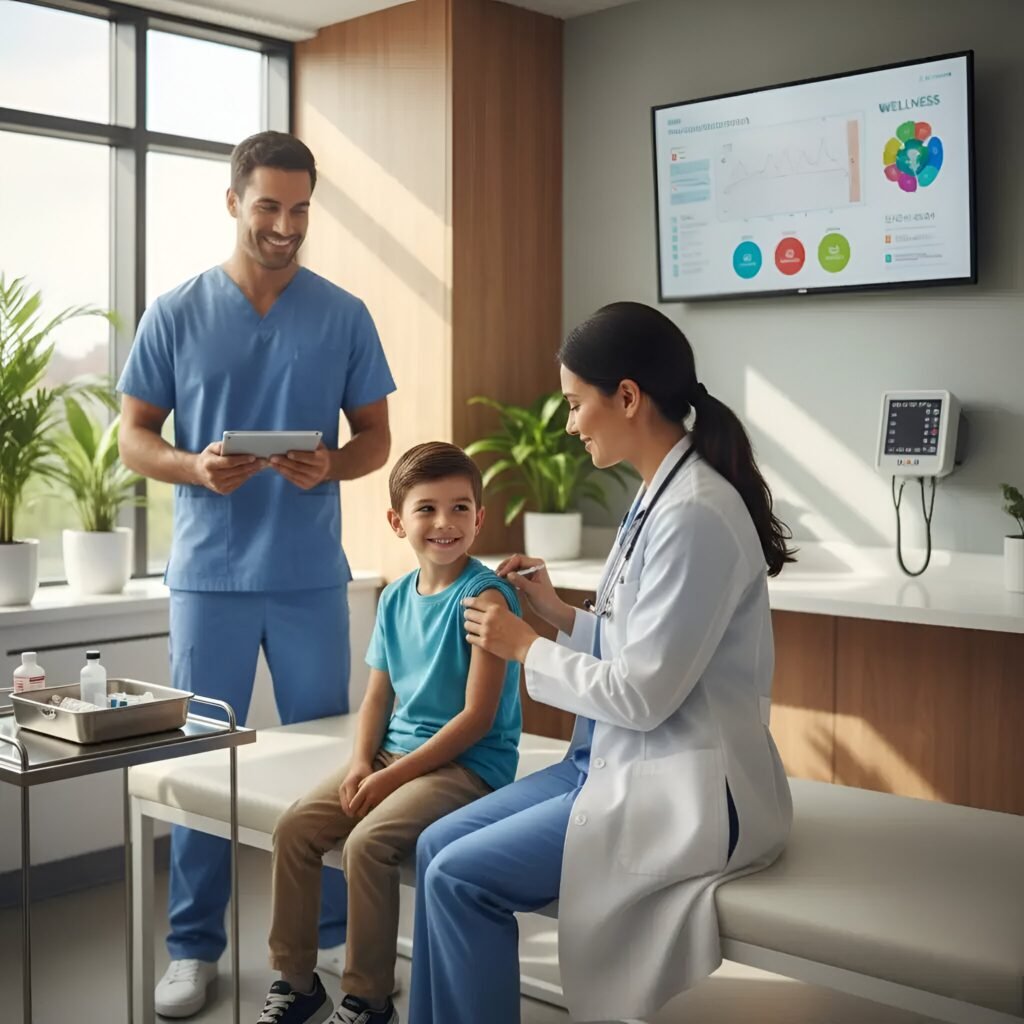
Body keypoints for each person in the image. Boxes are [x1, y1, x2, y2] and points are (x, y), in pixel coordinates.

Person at [409, 301, 796, 1024]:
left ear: (626, 397)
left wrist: (526, 645)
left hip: (690, 790)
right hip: (613, 760)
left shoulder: (696, 515)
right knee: (435, 845)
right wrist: (557, 614)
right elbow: (642, 642)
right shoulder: (659, 494)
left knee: (461, 879)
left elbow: (645, 694)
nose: (569, 424)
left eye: (574, 403)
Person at [117, 131, 395, 1019]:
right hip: (210, 575)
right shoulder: (175, 311)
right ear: (233, 201)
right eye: (269, 205)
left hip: (311, 571)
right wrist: (194, 468)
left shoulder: (343, 312)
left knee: (330, 764)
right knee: (203, 762)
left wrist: (335, 467)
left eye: (300, 208)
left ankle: (325, 942)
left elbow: (377, 441)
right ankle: (193, 947)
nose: (285, 225)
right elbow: (134, 438)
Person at [255, 441, 523, 1024]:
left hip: (468, 766)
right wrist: (361, 764)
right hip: (394, 754)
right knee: (296, 827)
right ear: (397, 521)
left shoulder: (486, 597)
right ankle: (297, 982)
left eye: (459, 508)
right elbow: (378, 696)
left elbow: (477, 718)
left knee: (367, 845)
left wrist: (392, 776)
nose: (444, 522)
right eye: (427, 509)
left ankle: (369, 999)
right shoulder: (396, 596)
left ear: (479, 517)